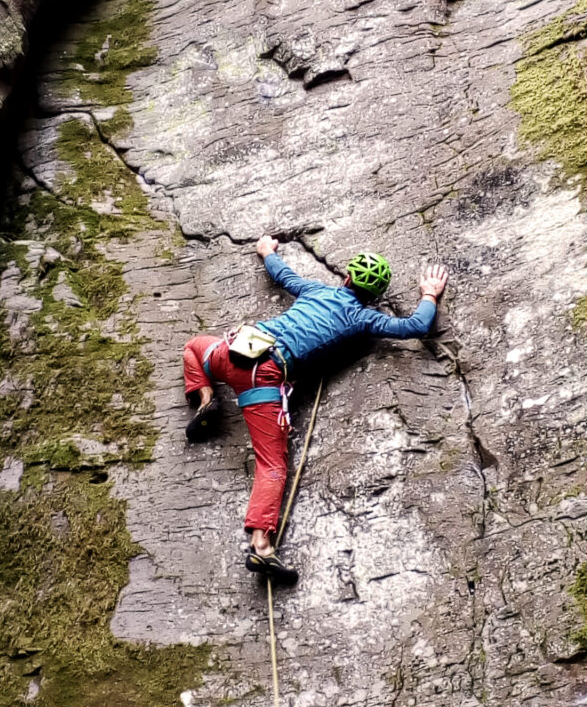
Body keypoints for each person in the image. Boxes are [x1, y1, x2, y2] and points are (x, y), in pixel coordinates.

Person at [182, 235, 448, 585]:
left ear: (347, 278)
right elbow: (415, 326)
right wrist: (429, 294)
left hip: (233, 349)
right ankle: (260, 546)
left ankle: (205, 399)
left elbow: (283, 275)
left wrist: (266, 251)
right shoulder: (362, 318)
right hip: (262, 380)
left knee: (194, 346)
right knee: (272, 465)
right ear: (375, 296)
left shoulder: (315, 291)